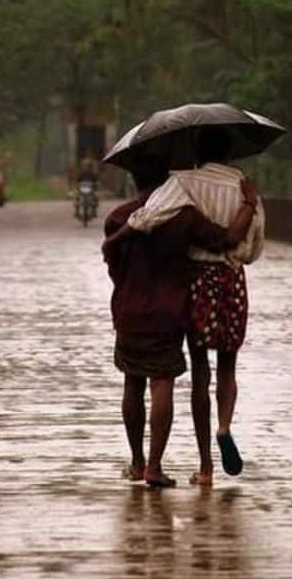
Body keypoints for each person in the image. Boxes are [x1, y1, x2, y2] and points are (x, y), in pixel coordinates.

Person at [104, 128, 265, 487]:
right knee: (223, 367)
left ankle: (191, 465)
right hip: (220, 284)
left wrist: (116, 240)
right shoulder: (243, 188)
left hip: (164, 296)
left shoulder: (177, 188)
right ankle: (220, 431)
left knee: (185, 374)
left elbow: (143, 222)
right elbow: (247, 245)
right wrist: (248, 208)